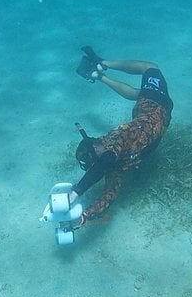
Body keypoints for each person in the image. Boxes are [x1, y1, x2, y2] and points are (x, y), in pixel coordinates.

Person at [69, 46, 174, 226]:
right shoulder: (114, 147)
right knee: (150, 68)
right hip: (156, 106)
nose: (98, 140)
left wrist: (85, 216)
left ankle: (99, 75)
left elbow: (109, 195)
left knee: (138, 94)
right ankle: (102, 65)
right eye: (94, 145)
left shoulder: (115, 167)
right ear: (96, 151)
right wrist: (76, 192)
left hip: (149, 120)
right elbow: (104, 164)